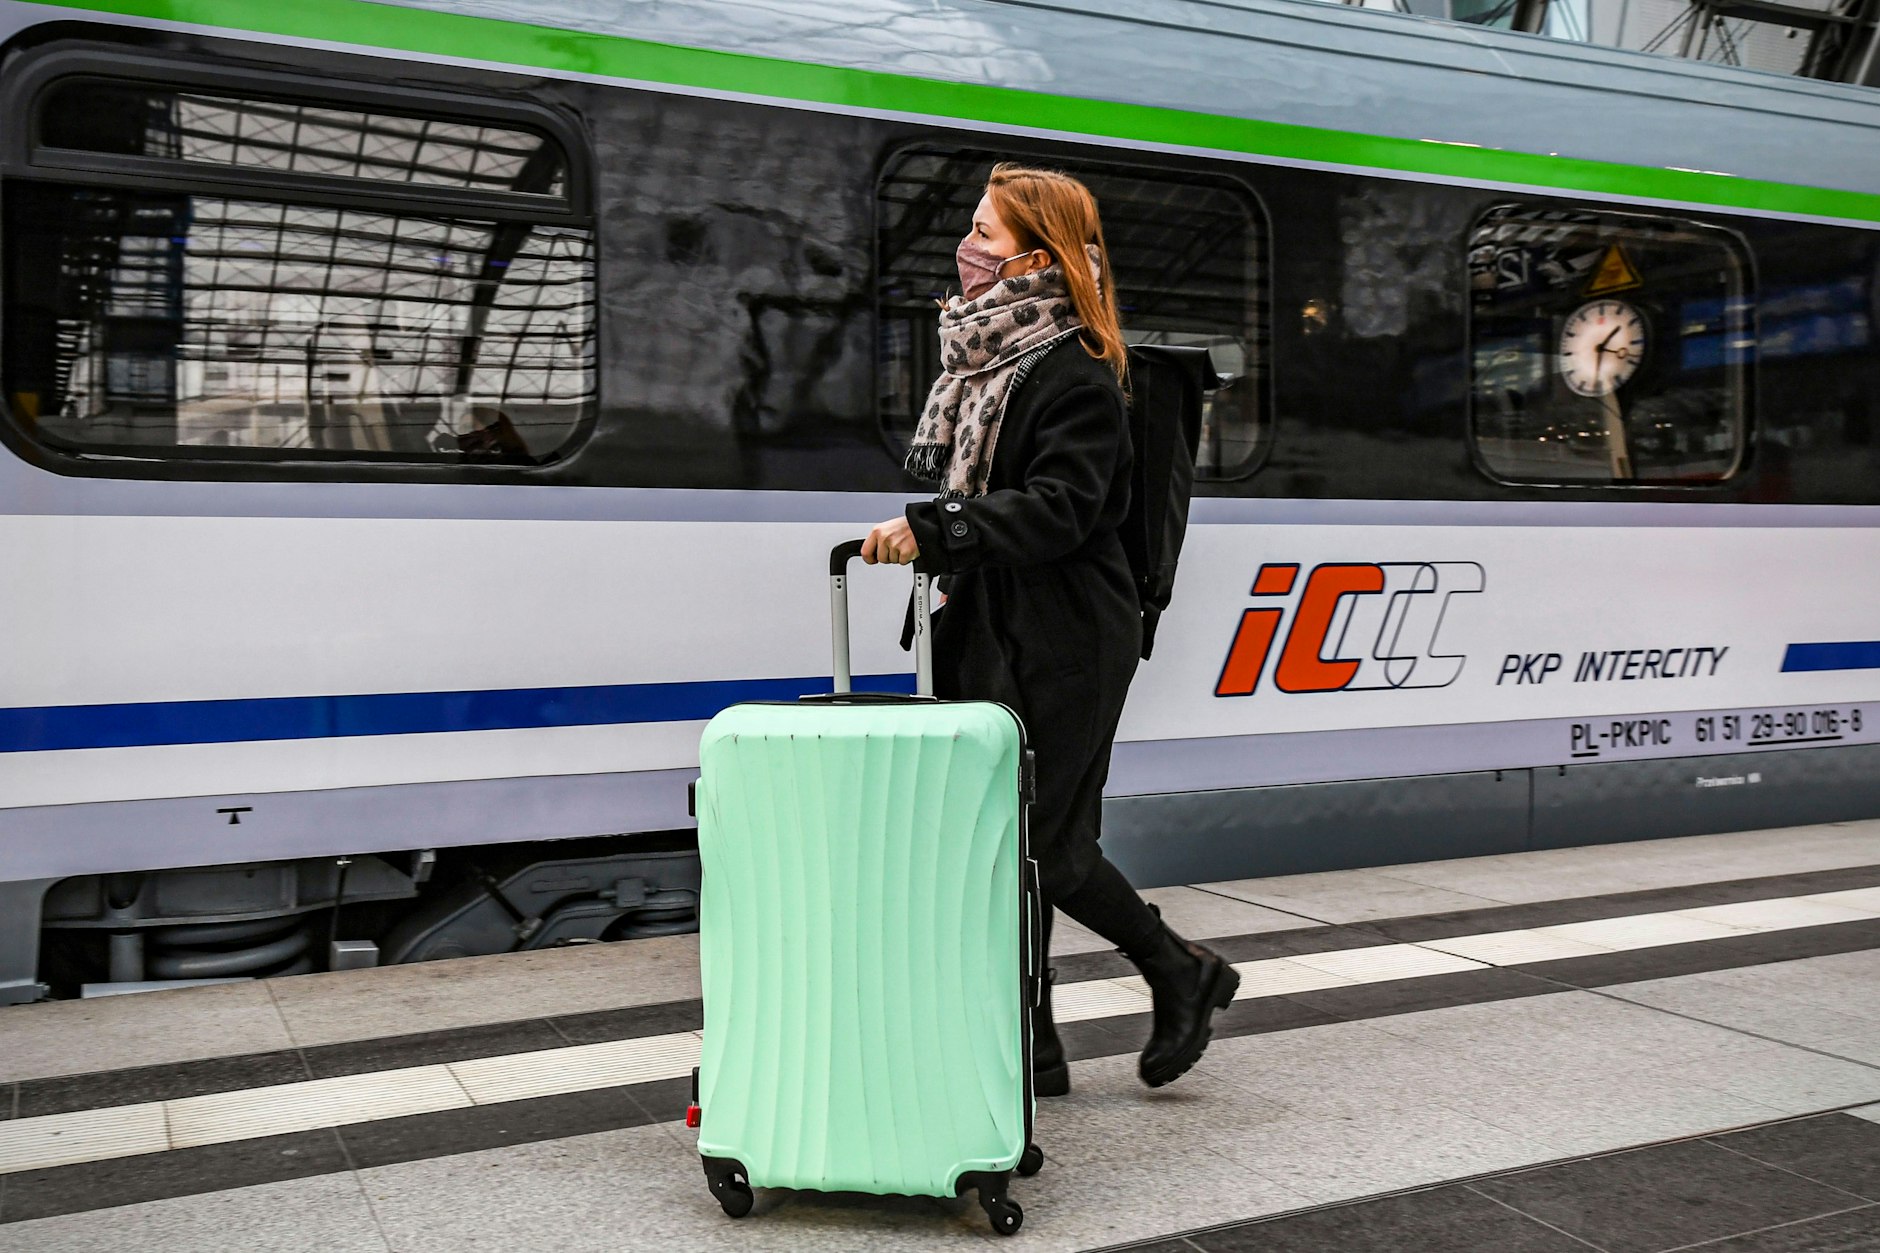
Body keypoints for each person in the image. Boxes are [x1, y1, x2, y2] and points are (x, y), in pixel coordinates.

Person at [861, 163, 1239, 1094]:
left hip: (1069, 637)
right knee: (999, 838)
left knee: (1046, 844)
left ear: (1039, 254)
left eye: (986, 234)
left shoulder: (1075, 371)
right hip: (996, 623)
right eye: (972, 229)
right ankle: (1034, 1042)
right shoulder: (984, 364)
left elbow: (1064, 509)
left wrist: (941, 527)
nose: (967, 248)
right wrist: (948, 539)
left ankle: (1180, 969)